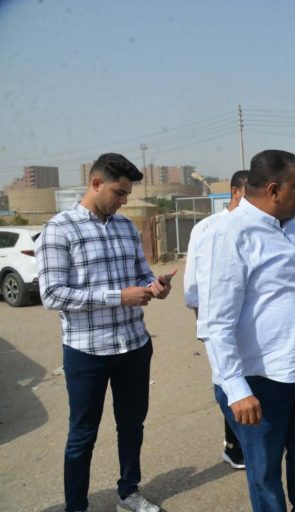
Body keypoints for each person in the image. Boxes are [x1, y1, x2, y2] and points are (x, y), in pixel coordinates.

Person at [35, 153, 173, 512]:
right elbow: (53, 295)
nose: (124, 200)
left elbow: (141, 273)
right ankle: (76, 506)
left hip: (134, 346)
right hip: (87, 352)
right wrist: (119, 297)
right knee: (82, 435)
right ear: (96, 183)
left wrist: (155, 286)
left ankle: (129, 492)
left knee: (132, 426)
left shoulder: (126, 227)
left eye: (127, 194)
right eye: (119, 192)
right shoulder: (59, 229)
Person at [196, 150, 295, 511]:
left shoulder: (292, 228)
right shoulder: (230, 234)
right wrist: (236, 388)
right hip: (260, 381)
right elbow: (216, 321)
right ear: (273, 190)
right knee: (265, 473)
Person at [183, 170, 249, 469]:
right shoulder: (207, 228)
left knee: (249, 378)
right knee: (227, 378)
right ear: (235, 192)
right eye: (249, 193)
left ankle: (248, 440)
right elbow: (193, 282)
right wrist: (202, 321)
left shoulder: (257, 226)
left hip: (249, 320)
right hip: (219, 320)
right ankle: (234, 446)